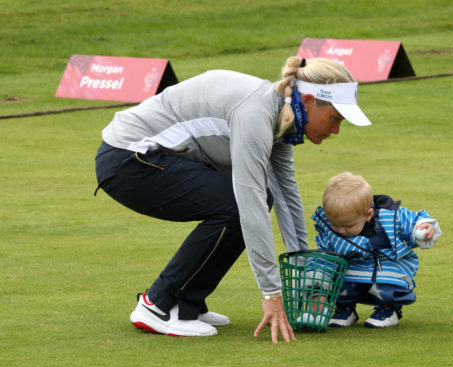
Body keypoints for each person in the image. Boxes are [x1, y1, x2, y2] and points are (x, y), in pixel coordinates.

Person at [94, 57, 371, 343]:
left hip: (145, 158)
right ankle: (158, 306)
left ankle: (187, 304)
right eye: (336, 118)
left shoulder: (282, 116)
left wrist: (304, 270)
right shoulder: (256, 115)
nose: (336, 130)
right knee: (239, 205)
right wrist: (271, 293)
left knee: (250, 202)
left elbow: (287, 196)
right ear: (310, 101)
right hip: (129, 159)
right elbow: (249, 203)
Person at [311, 172, 442, 328]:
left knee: (387, 286)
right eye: (335, 224)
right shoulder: (330, 229)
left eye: (348, 226)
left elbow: (414, 221)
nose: (340, 231)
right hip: (353, 269)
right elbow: (324, 257)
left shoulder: (391, 217)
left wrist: (424, 229)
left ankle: (388, 309)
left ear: (368, 215)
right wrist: (317, 288)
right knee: (338, 278)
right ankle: (344, 308)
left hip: (387, 266)